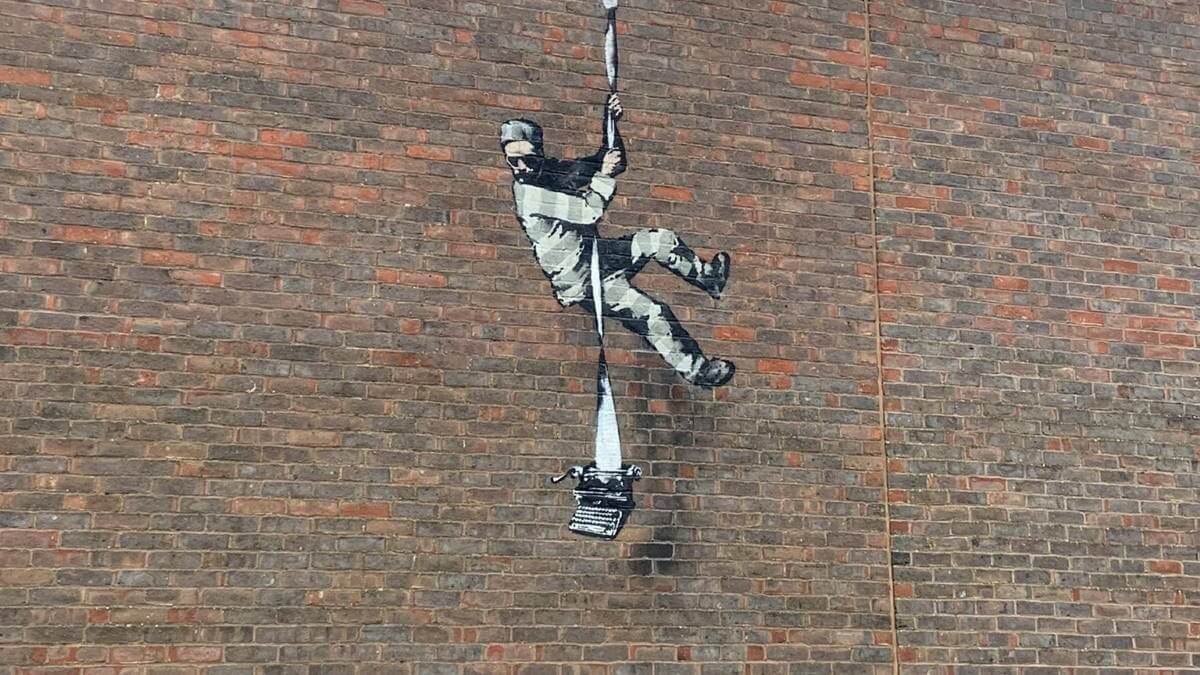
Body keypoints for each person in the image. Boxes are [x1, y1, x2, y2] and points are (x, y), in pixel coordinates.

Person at [500, 93, 735, 388]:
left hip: (598, 257)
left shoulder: (549, 173)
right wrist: (605, 174)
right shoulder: (530, 195)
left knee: (659, 240)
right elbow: (589, 211)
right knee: (652, 313)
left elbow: (608, 160)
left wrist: (610, 122)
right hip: (584, 282)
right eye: (513, 161)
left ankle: (708, 279)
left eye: (529, 159)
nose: (522, 167)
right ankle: (698, 371)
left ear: (540, 154)